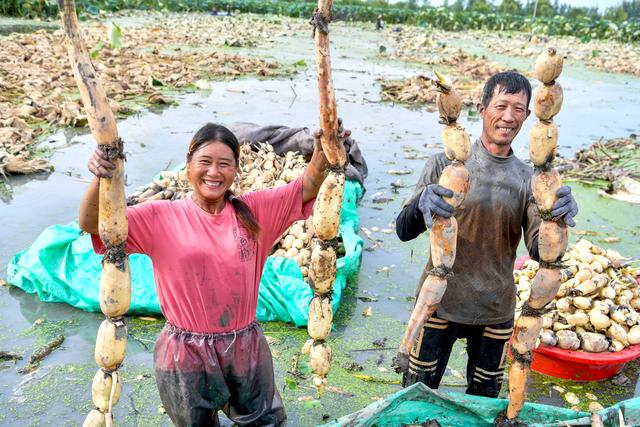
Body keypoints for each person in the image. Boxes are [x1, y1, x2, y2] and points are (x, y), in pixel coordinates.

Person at [79, 122, 344, 426]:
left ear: (235, 170)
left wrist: (326, 145)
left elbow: (308, 185)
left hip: (246, 349)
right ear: (188, 164)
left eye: (224, 164)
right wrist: (100, 177)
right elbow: (94, 224)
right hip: (184, 355)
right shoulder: (160, 217)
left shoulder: (255, 212)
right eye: (205, 162)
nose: (214, 173)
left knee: (265, 422)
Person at [395, 71, 578, 398]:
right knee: (417, 398)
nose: (509, 117)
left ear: (528, 116)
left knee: (484, 403)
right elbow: (404, 231)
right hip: (439, 305)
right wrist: (422, 203)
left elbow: (539, 251)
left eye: (519, 109)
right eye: (501, 105)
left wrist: (557, 218)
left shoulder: (529, 179)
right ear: (481, 109)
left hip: (495, 309)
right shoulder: (443, 164)